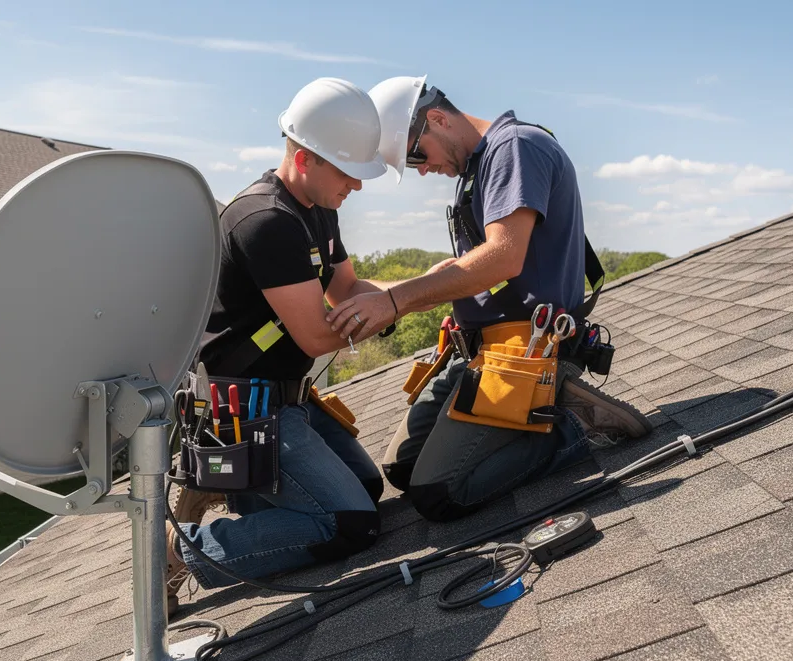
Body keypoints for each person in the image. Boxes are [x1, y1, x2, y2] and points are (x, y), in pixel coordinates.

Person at [324, 76, 652, 522]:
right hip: (481, 353)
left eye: (416, 155)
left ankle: (570, 424)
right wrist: (390, 296)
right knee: (399, 468)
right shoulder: (479, 167)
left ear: (437, 119)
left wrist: (397, 301)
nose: (421, 170)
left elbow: (502, 259)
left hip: (529, 353)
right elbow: (470, 269)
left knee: (438, 494)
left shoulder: (516, 148)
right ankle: (536, 416)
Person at [166, 78, 392, 612]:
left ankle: (234, 486)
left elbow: (346, 291)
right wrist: (397, 305)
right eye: (348, 172)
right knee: (349, 523)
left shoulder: (319, 208)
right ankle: (180, 550)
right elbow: (316, 333)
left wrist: (431, 288)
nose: (356, 187)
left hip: (284, 399)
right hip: (241, 412)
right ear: (305, 157)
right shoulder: (264, 221)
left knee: (366, 486)